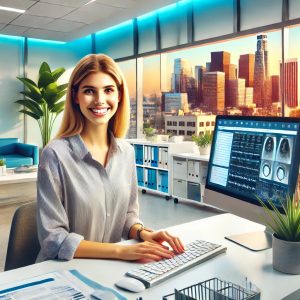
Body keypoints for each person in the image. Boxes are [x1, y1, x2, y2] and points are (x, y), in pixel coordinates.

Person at [36, 53, 185, 262]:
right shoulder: (54, 155)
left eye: (108, 90)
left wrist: (143, 233)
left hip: (109, 269)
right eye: (89, 91)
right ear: (75, 96)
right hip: (63, 272)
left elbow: (126, 217)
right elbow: (54, 240)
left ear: (119, 96)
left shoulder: (126, 152)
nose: (100, 100)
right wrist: (122, 252)